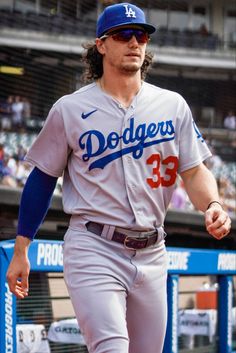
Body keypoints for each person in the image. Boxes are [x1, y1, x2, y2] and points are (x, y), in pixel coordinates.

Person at [7, 3, 231, 353]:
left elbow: (194, 169)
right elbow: (42, 178)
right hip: (93, 246)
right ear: (101, 45)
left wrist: (213, 203)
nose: (134, 42)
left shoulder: (172, 105)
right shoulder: (70, 109)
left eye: (141, 35)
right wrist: (22, 248)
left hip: (153, 251)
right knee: (111, 347)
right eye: (123, 35)